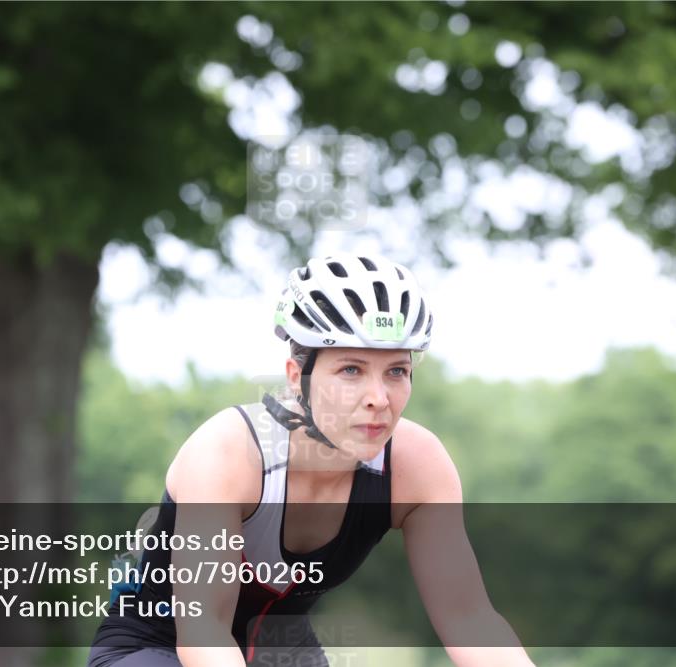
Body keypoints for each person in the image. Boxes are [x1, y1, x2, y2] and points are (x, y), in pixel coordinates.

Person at [88, 254, 535, 667]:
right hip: (157, 647)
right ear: (297, 377)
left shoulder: (417, 465)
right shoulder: (228, 453)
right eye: (351, 370)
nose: (378, 399)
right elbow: (203, 633)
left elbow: (468, 618)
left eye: (397, 371)